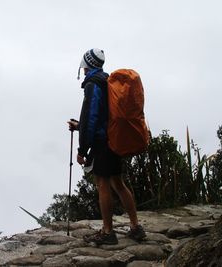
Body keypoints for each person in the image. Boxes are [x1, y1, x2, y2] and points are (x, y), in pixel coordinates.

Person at [68, 48, 146, 245]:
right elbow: (104, 116)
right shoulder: (108, 81)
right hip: (114, 138)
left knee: (103, 184)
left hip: (102, 142)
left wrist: (82, 150)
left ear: (87, 65)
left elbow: (92, 116)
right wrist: (80, 127)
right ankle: (136, 227)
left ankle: (108, 232)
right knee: (118, 183)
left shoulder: (93, 85)